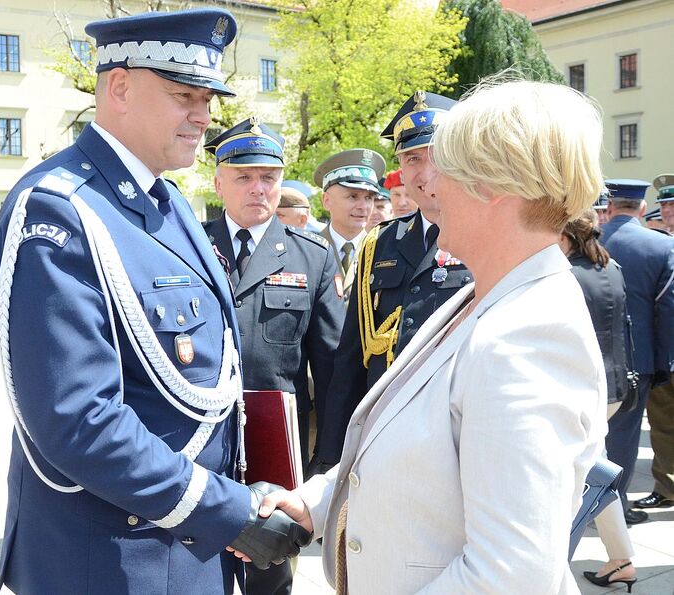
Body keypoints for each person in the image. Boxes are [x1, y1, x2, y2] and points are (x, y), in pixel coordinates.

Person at [0, 10, 309, 594]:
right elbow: (77, 419)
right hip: (109, 560)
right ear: (121, 88)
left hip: (188, 551)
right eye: (183, 94)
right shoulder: (58, 209)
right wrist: (225, 510)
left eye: (207, 98)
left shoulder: (169, 202)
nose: (202, 115)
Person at [242, 78, 608, 594]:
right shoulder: (484, 296)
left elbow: (510, 577)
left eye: (445, 168)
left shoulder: (529, 336)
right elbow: (421, 457)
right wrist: (317, 502)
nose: (423, 185)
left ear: (492, 188)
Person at [202, 117, 344, 595]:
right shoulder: (187, 245)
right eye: (243, 177)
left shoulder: (312, 257)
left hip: (275, 444)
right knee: (196, 565)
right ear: (219, 180)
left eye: (269, 177)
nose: (258, 188)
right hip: (201, 440)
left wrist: (327, 462)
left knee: (271, 572)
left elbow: (332, 368)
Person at [311, 91, 472, 471]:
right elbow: (350, 363)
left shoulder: (489, 236)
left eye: (436, 155)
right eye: (412, 158)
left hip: (456, 435)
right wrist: (332, 460)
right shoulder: (379, 243)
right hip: (383, 432)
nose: (424, 172)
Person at [559, 210, 638, 591]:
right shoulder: (612, 268)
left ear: (566, 238)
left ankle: (620, 559)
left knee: (590, 475)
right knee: (595, 469)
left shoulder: (566, 276)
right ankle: (621, 558)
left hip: (586, 387)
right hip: (614, 384)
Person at [600, 179, 674, 525]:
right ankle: (615, 507)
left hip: (587, 353)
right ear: (643, 209)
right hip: (637, 359)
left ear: (610, 207)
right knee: (624, 438)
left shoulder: (587, 243)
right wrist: (663, 364)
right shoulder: (659, 246)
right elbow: (667, 313)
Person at [634, 173, 674, 512]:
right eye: (664, 205)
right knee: (662, 421)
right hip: (664, 347)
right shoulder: (657, 241)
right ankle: (667, 486)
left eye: (673, 205)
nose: (669, 211)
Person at [315, 149, 387, 304]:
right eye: (353, 196)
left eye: (368, 198)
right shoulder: (308, 250)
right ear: (326, 201)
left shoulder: (383, 249)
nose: (363, 206)